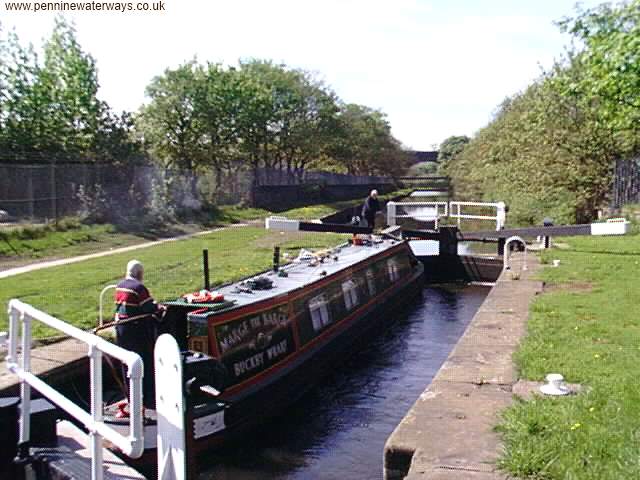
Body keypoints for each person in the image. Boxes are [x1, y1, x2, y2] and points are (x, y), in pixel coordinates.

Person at [114, 259, 165, 412]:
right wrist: (160, 308)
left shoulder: (119, 285)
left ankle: (131, 396)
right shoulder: (138, 288)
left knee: (126, 363)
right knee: (145, 363)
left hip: (121, 330)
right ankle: (148, 399)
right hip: (136, 332)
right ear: (140, 274)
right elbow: (149, 307)